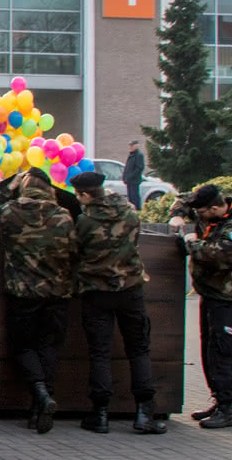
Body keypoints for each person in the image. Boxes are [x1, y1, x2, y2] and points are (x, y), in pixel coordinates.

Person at [69, 171, 167, 435]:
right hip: (131, 289)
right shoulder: (130, 213)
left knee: (100, 352)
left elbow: (74, 252)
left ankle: (100, 414)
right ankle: (145, 412)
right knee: (139, 349)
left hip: (96, 292)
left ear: (86, 194)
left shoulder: (85, 221)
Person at [0, 167, 77, 433]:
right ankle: (39, 408)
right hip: (58, 294)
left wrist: (7, 188)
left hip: (23, 293)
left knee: (23, 346)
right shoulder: (63, 216)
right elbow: (73, 250)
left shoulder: (11, 212)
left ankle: (41, 395)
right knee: (49, 349)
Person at [169, 183, 232, 429]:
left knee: (223, 351)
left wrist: (190, 242)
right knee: (209, 350)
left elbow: (217, 255)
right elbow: (184, 200)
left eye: (203, 213)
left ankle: (227, 408)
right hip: (209, 293)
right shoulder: (210, 210)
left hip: (229, 296)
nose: (199, 217)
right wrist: (177, 215)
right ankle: (218, 399)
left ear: (216, 208)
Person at [122, 140, 146, 208]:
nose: (130, 147)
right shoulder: (131, 155)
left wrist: (130, 176)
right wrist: (124, 177)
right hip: (129, 181)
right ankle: (131, 210)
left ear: (136, 146)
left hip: (134, 180)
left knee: (134, 197)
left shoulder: (139, 155)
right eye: (130, 146)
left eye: (132, 145)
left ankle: (136, 210)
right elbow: (127, 167)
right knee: (130, 198)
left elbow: (139, 168)